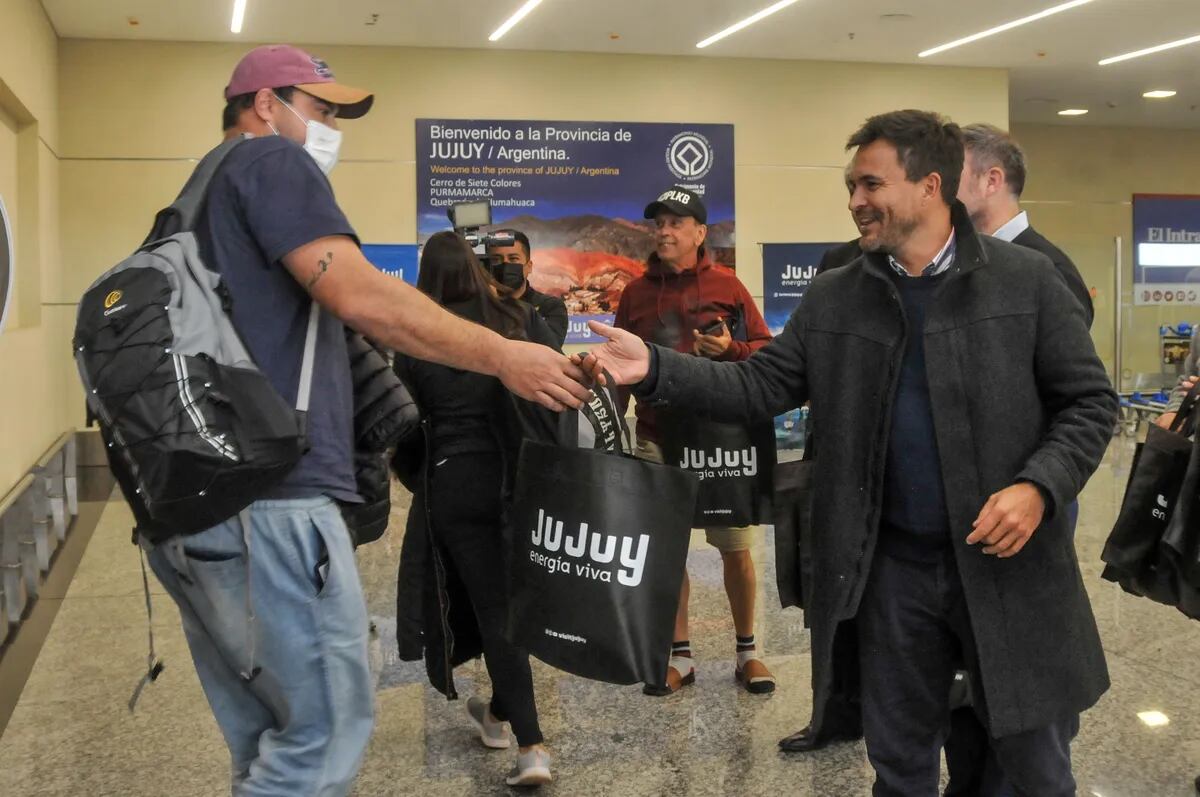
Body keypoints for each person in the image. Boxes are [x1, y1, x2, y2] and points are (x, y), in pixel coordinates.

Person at [581, 111, 1117, 796]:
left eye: (871, 183)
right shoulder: (840, 291)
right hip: (891, 571)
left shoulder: (1028, 281)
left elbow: (1089, 403)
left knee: (1035, 767)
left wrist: (1039, 487)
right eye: (851, 184)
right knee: (899, 764)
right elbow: (761, 382)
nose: (855, 200)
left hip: (1008, 570)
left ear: (930, 185)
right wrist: (655, 367)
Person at [142, 44, 589, 797]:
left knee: (265, 740)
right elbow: (362, 296)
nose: (329, 128)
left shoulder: (187, 202)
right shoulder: (269, 164)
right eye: (320, 109)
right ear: (262, 105)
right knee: (320, 739)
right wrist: (507, 355)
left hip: (196, 508)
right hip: (274, 503)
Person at [394, 232, 557, 787]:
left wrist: (424, 480)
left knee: (492, 613)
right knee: (509, 605)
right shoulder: (515, 318)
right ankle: (496, 717)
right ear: (477, 266)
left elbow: (403, 427)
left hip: (454, 483)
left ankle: (532, 746)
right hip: (521, 480)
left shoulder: (417, 334)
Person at [614, 186, 776, 696]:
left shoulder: (729, 285)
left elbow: (768, 354)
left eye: (676, 222)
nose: (664, 230)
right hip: (657, 437)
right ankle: (679, 657)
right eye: (658, 222)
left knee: (736, 550)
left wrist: (732, 350)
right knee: (666, 554)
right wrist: (611, 431)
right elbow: (620, 366)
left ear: (700, 233)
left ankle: (749, 653)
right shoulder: (635, 294)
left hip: (721, 438)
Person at [958, 123, 1093, 326]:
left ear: (991, 181)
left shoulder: (1051, 269)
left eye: (953, 176)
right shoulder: (959, 260)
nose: (939, 190)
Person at [486, 229, 569, 346]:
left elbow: (550, 349)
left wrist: (503, 304)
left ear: (529, 267)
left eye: (513, 259)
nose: (505, 264)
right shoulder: (480, 305)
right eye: (496, 260)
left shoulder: (551, 306)